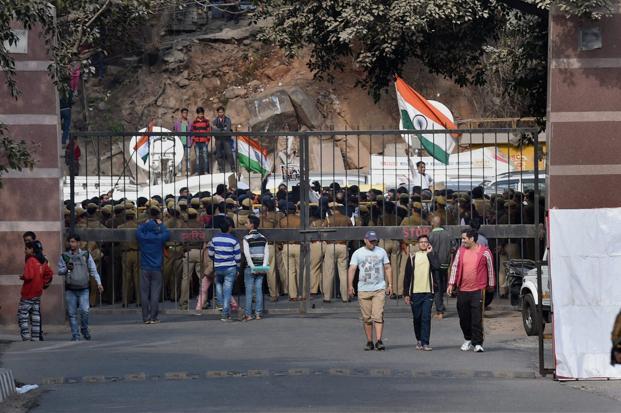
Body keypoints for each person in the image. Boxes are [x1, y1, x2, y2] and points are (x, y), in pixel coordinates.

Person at [447, 229, 496, 353]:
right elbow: (454, 267)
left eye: (464, 238)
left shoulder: (485, 252)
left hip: (478, 290)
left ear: (472, 239)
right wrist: (451, 284)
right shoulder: (461, 251)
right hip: (462, 289)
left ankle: (478, 343)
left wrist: (491, 285)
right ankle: (467, 339)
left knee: (477, 317)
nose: (462, 241)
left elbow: (490, 268)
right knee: (464, 317)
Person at [347, 230, 393, 351]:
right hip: (363, 289)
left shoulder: (381, 251)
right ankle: (369, 341)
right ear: (365, 240)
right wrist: (350, 285)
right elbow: (352, 269)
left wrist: (390, 284)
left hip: (379, 288)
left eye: (375, 241)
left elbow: (388, 267)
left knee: (378, 315)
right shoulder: (358, 253)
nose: (373, 243)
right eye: (371, 241)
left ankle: (379, 340)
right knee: (366, 317)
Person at [58, 234, 104, 341]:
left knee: (85, 311)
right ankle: (75, 334)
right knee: (72, 313)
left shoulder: (86, 255)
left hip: (84, 288)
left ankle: (84, 328)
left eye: (73, 241)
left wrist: (99, 283)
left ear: (79, 243)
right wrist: (66, 269)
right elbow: (59, 271)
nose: (71, 244)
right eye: (70, 241)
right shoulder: (64, 256)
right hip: (70, 289)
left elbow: (93, 270)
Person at [403, 235, 440, 351]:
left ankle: (425, 342)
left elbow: (437, 266)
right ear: (418, 244)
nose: (424, 244)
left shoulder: (432, 255)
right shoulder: (413, 256)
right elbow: (407, 276)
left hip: (428, 291)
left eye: (426, 242)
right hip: (415, 292)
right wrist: (406, 293)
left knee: (426, 317)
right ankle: (419, 339)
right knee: (417, 317)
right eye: (421, 242)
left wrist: (430, 254)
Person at [136, 206, 170, 324]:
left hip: (144, 267)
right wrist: (159, 225)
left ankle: (145, 317)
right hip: (157, 268)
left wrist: (146, 223)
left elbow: (138, 231)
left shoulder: (143, 237)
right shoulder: (159, 237)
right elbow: (167, 232)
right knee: (155, 293)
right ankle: (154, 317)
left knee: (144, 293)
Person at [18, 241, 53, 341]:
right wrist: (43, 282)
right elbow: (49, 273)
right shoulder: (42, 261)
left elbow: (29, 275)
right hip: (38, 292)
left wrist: (23, 276)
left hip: (28, 292)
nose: (25, 251)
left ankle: (26, 337)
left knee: (22, 314)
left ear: (31, 249)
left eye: (26, 249)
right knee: (35, 315)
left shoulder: (30, 260)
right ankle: (35, 337)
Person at [208, 219, 241, 322]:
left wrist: (217, 259)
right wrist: (238, 268)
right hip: (230, 267)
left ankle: (220, 304)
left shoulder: (214, 239)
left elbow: (210, 254)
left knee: (218, 284)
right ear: (230, 228)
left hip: (218, 266)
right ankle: (225, 314)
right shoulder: (234, 240)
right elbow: (238, 257)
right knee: (227, 291)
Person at [242, 215, 269, 321]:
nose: (245, 224)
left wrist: (252, 267)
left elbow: (247, 254)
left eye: (247, 222)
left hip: (250, 267)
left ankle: (248, 314)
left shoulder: (246, 238)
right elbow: (266, 253)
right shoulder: (264, 238)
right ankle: (258, 313)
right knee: (258, 290)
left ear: (252, 225)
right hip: (261, 266)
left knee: (249, 291)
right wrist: (264, 266)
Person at [428, 215, 452, 320]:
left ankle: (440, 311)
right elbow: (454, 246)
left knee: (437, 287)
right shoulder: (448, 234)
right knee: (442, 285)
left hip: (435, 265)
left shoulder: (431, 235)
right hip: (446, 264)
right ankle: (441, 305)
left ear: (432, 224)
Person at [213, 106, 235, 173]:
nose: (221, 113)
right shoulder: (215, 120)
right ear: (217, 113)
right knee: (218, 154)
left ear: (224, 112)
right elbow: (214, 130)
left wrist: (219, 129)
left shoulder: (227, 119)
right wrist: (222, 129)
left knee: (229, 153)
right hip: (218, 139)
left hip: (226, 139)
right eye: (219, 112)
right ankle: (221, 168)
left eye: (222, 112)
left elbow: (227, 129)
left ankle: (233, 168)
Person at [191, 107, 211, 175]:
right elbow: (193, 132)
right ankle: (197, 172)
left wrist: (207, 140)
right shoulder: (194, 122)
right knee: (197, 157)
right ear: (197, 114)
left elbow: (208, 131)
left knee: (205, 157)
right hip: (197, 142)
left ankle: (206, 171)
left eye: (202, 114)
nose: (201, 115)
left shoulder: (206, 121)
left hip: (204, 141)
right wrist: (193, 141)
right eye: (199, 114)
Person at [173, 108, 193, 176]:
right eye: (184, 112)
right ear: (181, 114)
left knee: (188, 157)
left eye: (186, 113)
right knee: (180, 157)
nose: (185, 114)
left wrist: (191, 141)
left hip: (187, 142)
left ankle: (188, 170)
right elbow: (174, 132)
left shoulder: (190, 123)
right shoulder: (177, 123)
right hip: (180, 142)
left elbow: (192, 133)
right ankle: (179, 171)